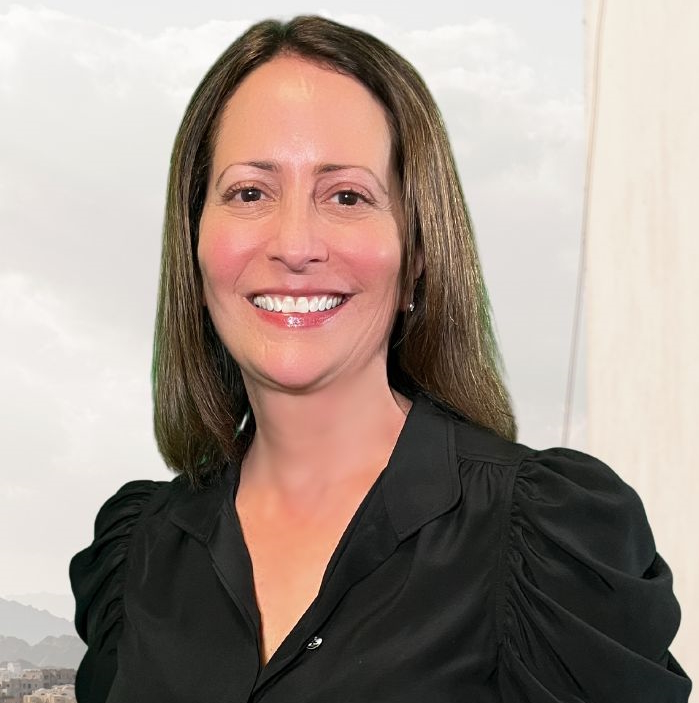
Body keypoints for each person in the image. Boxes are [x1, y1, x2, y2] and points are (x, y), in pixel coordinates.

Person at [69, 15, 692, 703]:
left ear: (418, 251)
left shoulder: (550, 543)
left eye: (346, 196)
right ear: (194, 239)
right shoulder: (137, 555)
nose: (295, 243)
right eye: (250, 192)